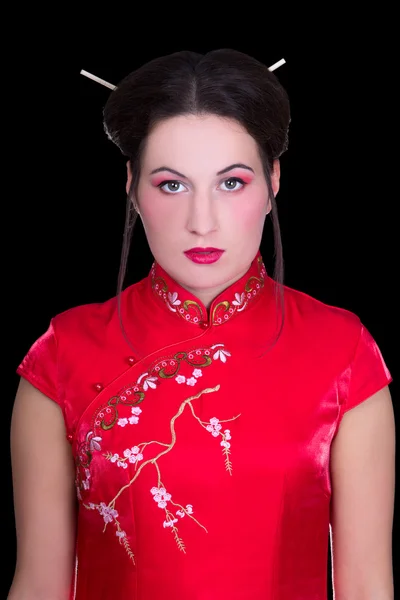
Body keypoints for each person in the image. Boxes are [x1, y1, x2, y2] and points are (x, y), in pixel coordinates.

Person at [8, 49, 395, 600]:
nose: (202, 221)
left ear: (274, 181)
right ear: (132, 185)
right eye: (172, 185)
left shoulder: (343, 352)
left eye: (232, 183)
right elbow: (41, 585)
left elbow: (366, 586)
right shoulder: (62, 353)